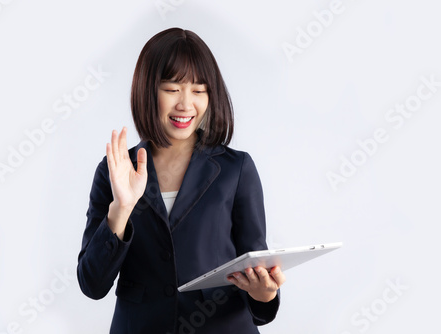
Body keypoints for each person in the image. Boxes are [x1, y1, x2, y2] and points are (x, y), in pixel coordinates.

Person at [77, 27, 286, 334]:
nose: (186, 104)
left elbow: (256, 264)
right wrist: (121, 209)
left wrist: (264, 292)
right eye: (173, 89)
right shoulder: (115, 171)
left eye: (199, 90)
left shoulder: (235, 169)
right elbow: (92, 284)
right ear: (148, 90)